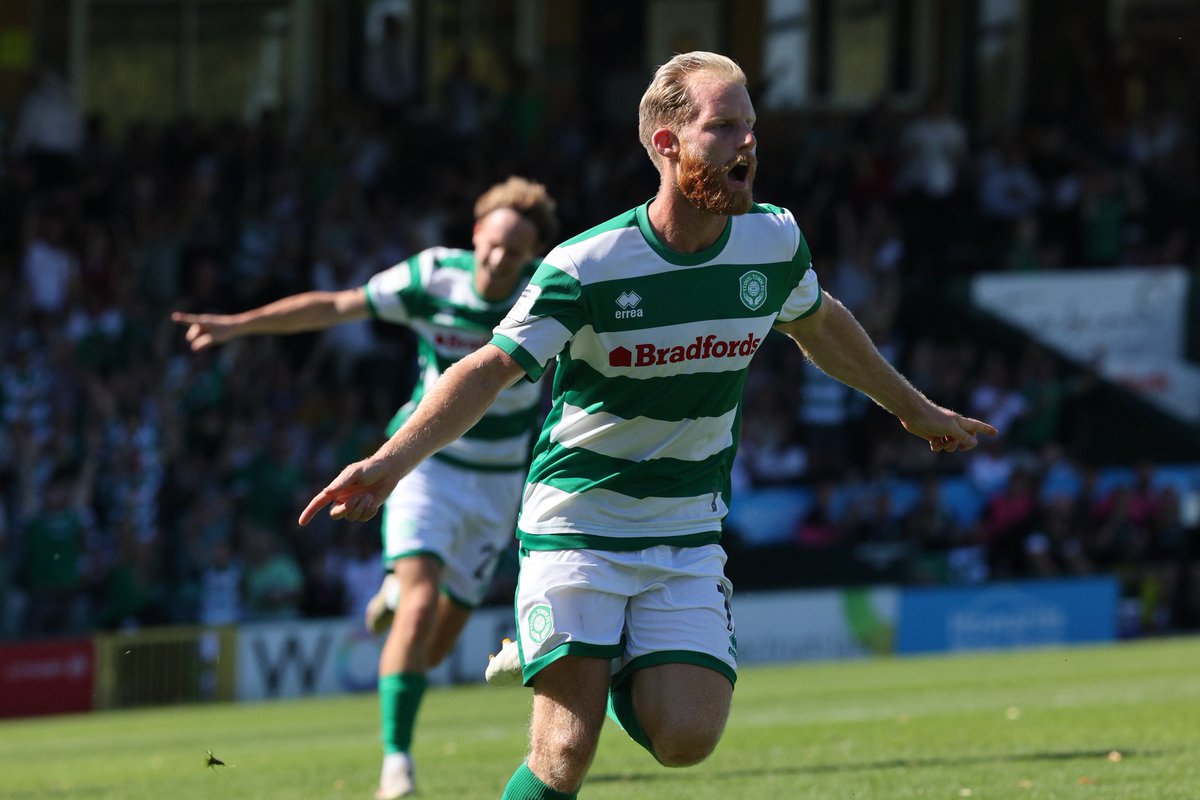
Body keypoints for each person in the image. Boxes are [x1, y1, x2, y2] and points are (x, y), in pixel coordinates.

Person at [299, 52, 995, 800]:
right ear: (667, 143)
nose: (747, 145)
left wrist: (913, 409)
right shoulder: (585, 265)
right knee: (566, 747)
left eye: (750, 127)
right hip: (579, 519)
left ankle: (599, 653)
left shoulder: (774, 241)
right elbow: (488, 369)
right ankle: (572, 661)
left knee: (687, 740)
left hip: (686, 526)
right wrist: (390, 462)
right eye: (724, 127)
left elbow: (822, 326)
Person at [173, 176, 558, 799]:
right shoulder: (433, 276)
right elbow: (335, 306)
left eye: (514, 252)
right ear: (474, 235)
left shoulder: (547, 292)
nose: (498, 260)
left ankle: (389, 594)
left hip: (497, 486)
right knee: (420, 602)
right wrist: (238, 325)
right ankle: (396, 766)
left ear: (531, 254)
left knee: (436, 647)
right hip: (422, 463)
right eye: (492, 244)